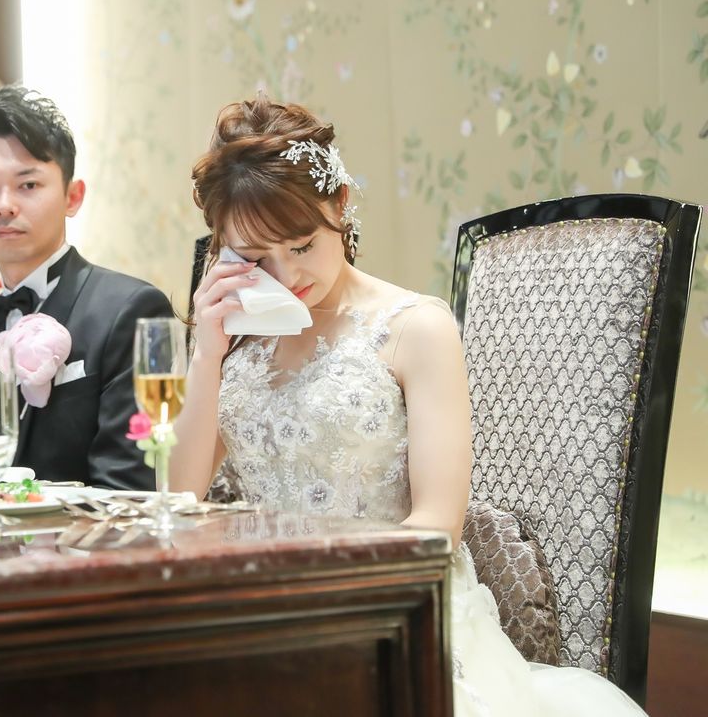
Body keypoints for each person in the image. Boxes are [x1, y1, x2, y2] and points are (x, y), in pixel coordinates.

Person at [170, 94, 645, 716]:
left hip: (391, 616)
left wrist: (326, 609)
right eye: (258, 258)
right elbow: (180, 498)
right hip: (266, 617)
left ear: (340, 205)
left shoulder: (415, 328)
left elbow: (438, 524)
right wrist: (207, 353)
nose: (287, 277)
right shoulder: (239, 336)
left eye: (304, 245)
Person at [0, 84, 174, 490]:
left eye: (28, 185)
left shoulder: (131, 310)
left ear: (73, 196)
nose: (4, 205)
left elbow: (130, 489)